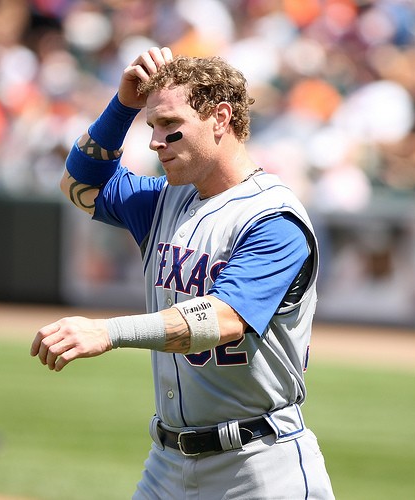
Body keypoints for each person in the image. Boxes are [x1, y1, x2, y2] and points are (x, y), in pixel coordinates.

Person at [31, 46, 335, 499]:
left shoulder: (274, 218)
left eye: (171, 126)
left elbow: (223, 319)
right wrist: (122, 106)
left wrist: (109, 332)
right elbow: (79, 185)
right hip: (167, 466)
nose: (155, 141)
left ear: (220, 118)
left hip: (259, 467)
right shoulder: (166, 201)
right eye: (152, 125)